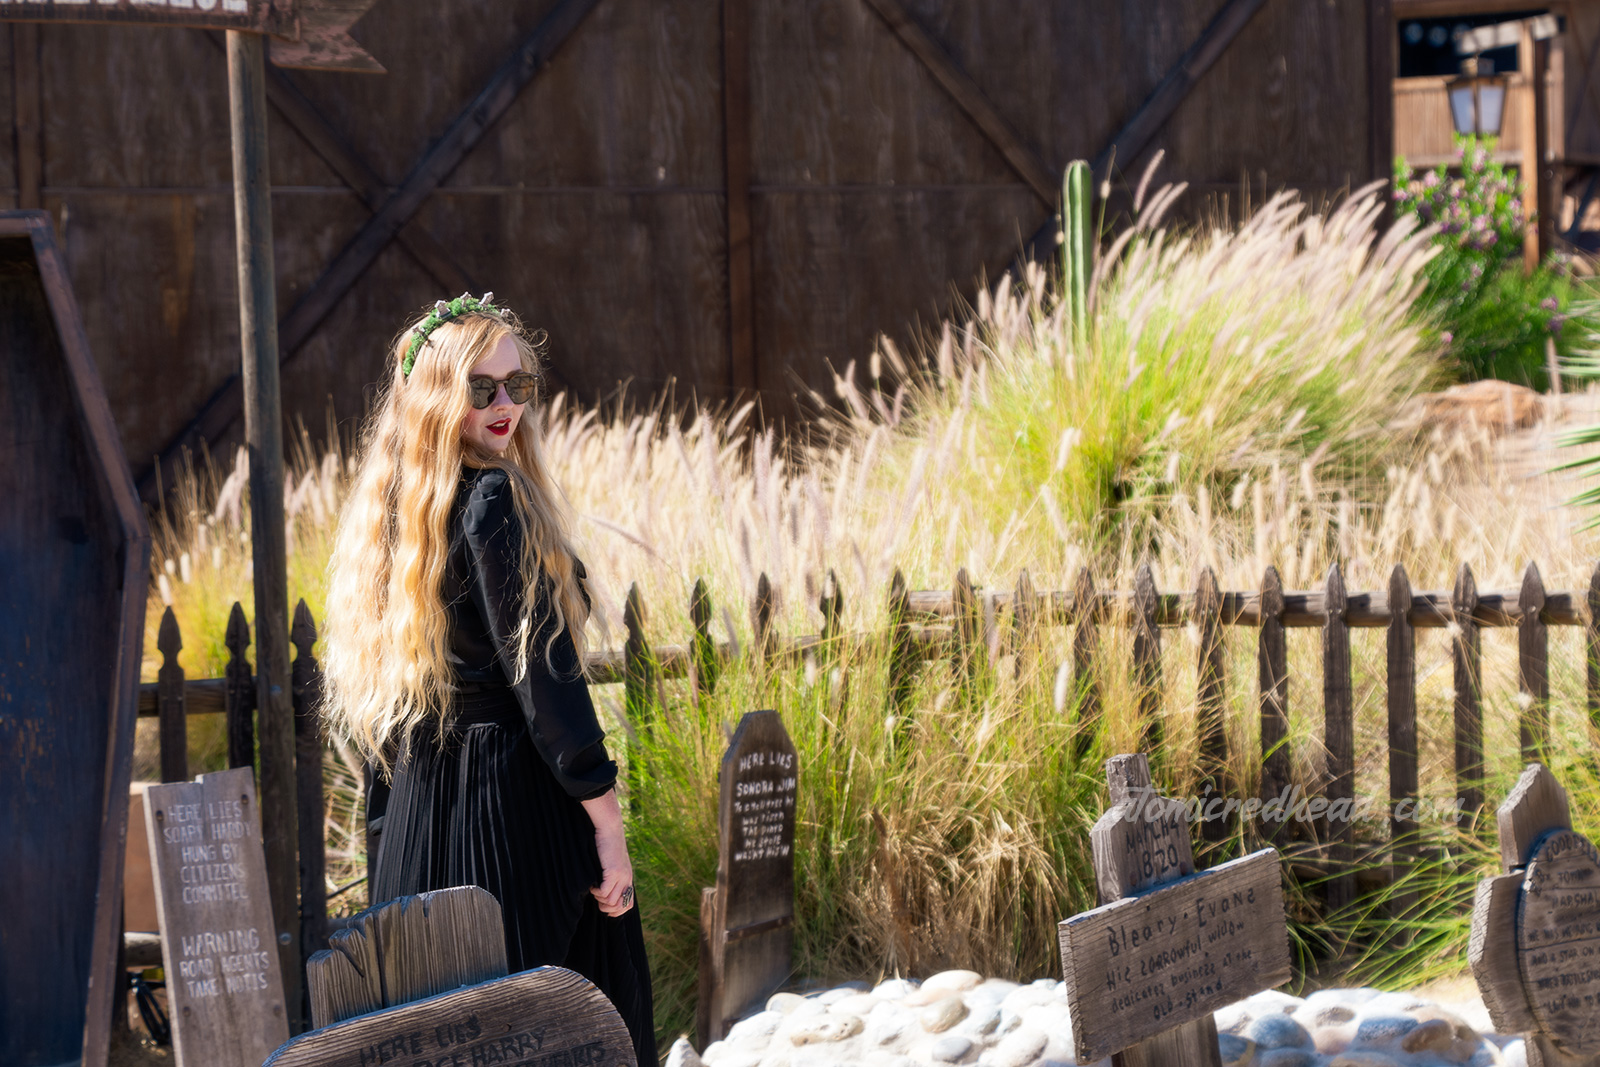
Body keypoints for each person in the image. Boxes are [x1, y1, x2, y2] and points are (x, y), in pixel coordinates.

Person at [320, 295, 654, 1062]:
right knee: (577, 1031)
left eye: (518, 384)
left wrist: (387, 855)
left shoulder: (394, 518)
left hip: (422, 823)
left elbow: (385, 722)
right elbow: (548, 687)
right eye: (482, 388)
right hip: (514, 812)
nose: (506, 405)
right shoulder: (495, 498)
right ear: (439, 398)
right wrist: (607, 826)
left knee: (443, 1039)